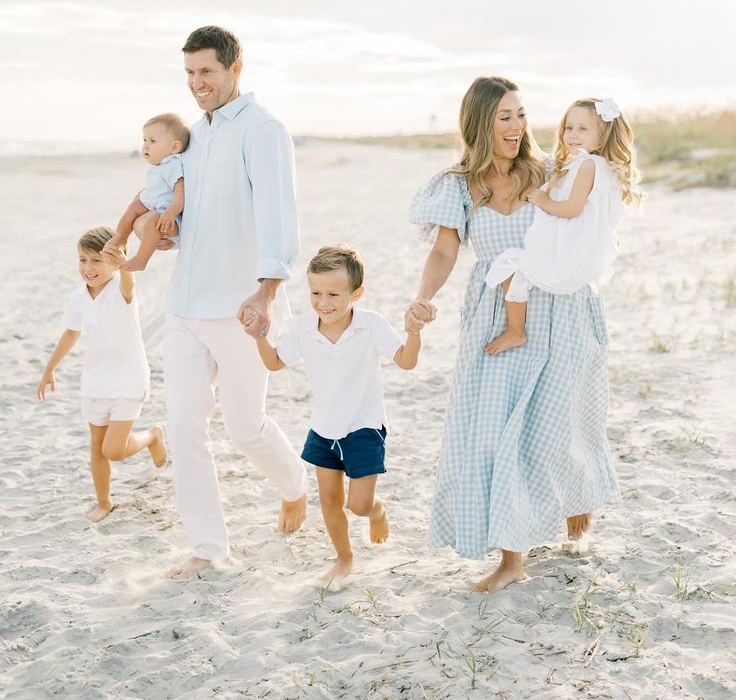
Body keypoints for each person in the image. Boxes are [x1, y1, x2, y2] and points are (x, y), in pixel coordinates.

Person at [405, 77, 620, 594]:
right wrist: (424, 297)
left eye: (522, 114)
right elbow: (443, 252)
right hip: (495, 314)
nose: (519, 126)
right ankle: (511, 558)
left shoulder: (552, 170)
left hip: (560, 308)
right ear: (481, 122)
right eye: (506, 116)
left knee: (560, 423)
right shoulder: (456, 184)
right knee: (495, 432)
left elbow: (593, 219)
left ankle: (576, 500)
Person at [161, 25, 308, 581]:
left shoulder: (264, 130)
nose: (197, 84)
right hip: (185, 305)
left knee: (245, 428)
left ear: (234, 67)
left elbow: (278, 213)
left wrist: (267, 289)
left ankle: (294, 485)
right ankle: (207, 547)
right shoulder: (194, 136)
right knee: (183, 426)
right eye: (190, 74)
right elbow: (194, 214)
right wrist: (169, 230)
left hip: (241, 306)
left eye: (207, 72)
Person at [243, 245, 421, 586]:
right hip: (323, 429)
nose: (323, 302)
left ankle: (378, 509)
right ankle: (344, 558)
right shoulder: (305, 326)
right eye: (315, 292)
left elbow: (406, 361)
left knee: (359, 504)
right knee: (329, 501)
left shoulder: (371, 325)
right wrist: (260, 338)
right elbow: (275, 363)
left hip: (364, 428)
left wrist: (413, 333)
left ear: (357, 293)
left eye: (334, 294)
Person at [484, 97, 642, 355]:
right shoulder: (599, 166)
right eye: (569, 128)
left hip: (571, 250)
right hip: (583, 249)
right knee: (517, 268)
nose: (573, 135)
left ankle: (516, 331)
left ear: (602, 136)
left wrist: (542, 200)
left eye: (583, 129)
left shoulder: (588, 165)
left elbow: (571, 209)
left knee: (510, 265)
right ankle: (517, 328)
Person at [36, 226, 166, 522]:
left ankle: (152, 435)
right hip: (95, 382)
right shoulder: (78, 297)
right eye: (83, 260)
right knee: (97, 447)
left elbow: (129, 280)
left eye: (97, 261)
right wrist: (50, 368)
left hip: (129, 380)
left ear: (115, 262)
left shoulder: (122, 288)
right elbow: (71, 332)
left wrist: (123, 260)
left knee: (115, 450)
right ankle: (104, 502)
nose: (88, 268)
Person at [104, 113, 189, 272]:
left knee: (153, 222)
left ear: (174, 147)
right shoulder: (159, 166)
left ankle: (141, 259)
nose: (146, 146)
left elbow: (181, 194)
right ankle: (121, 237)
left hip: (168, 215)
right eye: (145, 140)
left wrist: (170, 213)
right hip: (154, 204)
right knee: (133, 207)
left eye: (153, 141)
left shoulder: (173, 165)